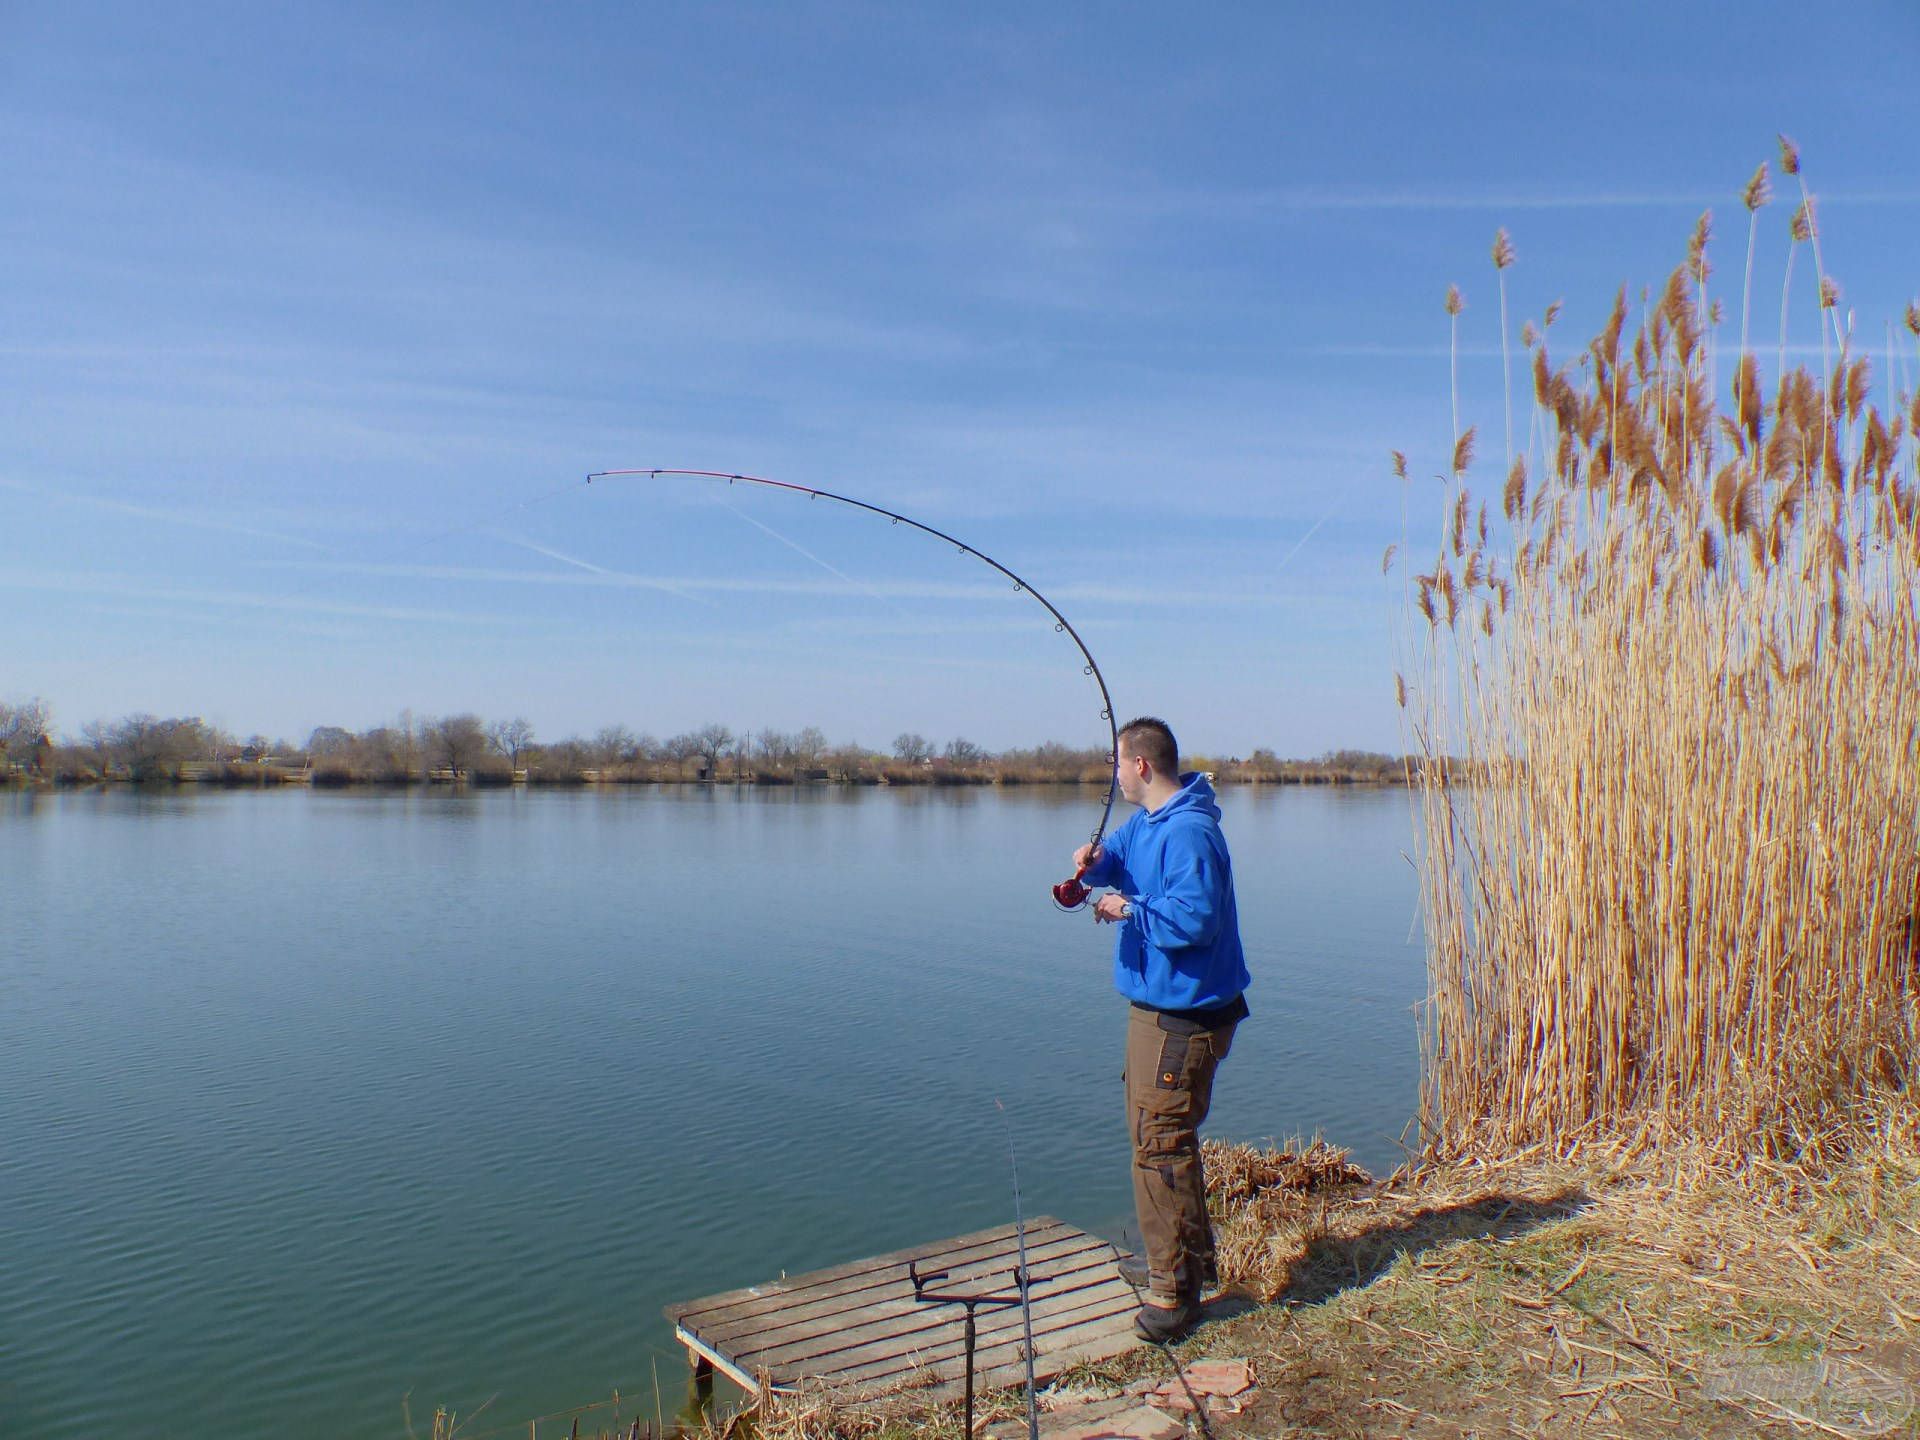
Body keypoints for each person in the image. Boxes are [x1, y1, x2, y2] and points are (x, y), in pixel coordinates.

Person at [1072, 716, 1250, 1343]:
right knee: (1161, 1137)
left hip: (1184, 1016)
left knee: (1159, 1146)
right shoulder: (1145, 824)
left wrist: (1127, 907)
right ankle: (1193, 1265)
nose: (1114, 774)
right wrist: (1091, 868)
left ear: (1141, 766)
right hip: (1156, 1011)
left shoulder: (1192, 832)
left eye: (1117, 763)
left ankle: (1173, 1295)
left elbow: (1194, 921)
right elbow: (1116, 860)